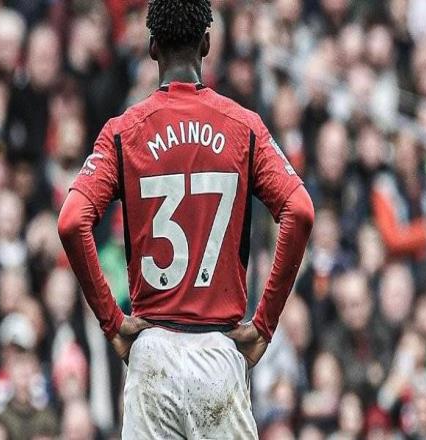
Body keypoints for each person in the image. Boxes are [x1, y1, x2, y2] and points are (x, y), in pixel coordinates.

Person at [58, 0, 314, 437]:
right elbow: (300, 210)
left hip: (152, 353)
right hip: (218, 351)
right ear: (207, 44)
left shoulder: (123, 131)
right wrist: (264, 324)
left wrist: (112, 321)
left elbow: (70, 221)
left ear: (152, 47)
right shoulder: (244, 127)